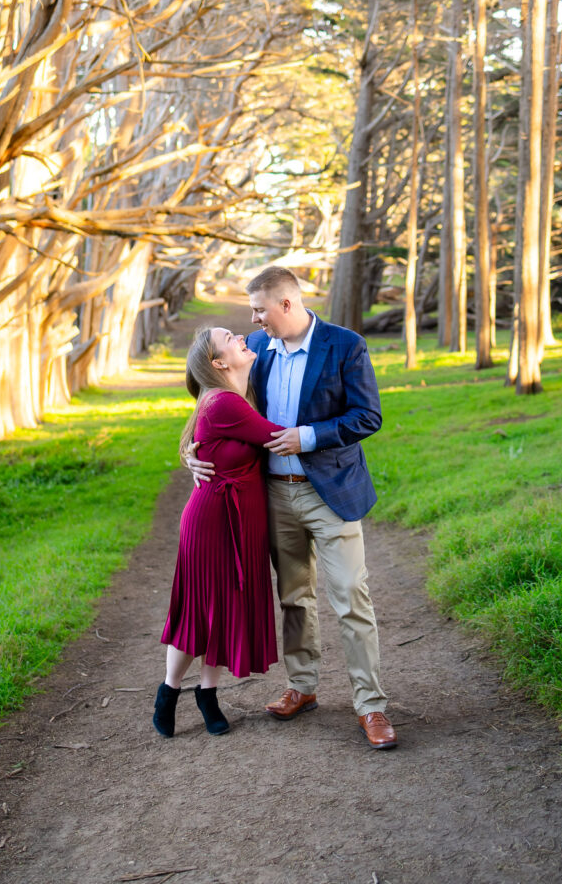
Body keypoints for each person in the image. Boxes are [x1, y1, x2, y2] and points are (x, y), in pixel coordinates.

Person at [188, 267, 397, 750]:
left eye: (259, 309)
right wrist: (190, 453)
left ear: (286, 304)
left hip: (331, 493)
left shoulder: (346, 345)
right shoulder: (255, 351)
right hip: (272, 496)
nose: (253, 319)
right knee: (293, 597)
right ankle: (302, 687)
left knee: (350, 596)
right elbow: (208, 402)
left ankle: (371, 706)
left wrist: (308, 436)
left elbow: (368, 416)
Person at [153, 326, 283, 738]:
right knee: (199, 611)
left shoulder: (233, 395)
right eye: (231, 337)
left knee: (224, 608)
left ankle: (208, 694)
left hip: (241, 519)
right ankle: (168, 692)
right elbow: (276, 437)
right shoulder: (225, 402)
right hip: (213, 520)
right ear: (218, 362)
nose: (244, 336)